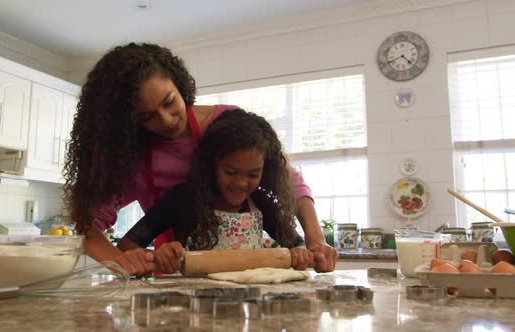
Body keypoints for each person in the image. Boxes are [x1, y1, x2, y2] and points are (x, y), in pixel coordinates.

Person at [63, 42, 337, 275]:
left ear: (179, 84)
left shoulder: (225, 123)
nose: (167, 120)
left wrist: (315, 239)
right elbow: (90, 227)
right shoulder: (130, 158)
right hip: (175, 276)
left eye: (169, 102)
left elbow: (291, 181)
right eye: (147, 117)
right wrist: (123, 262)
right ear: (128, 123)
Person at [118, 109, 314, 276]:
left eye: (253, 174)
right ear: (212, 165)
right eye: (230, 172)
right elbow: (127, 245)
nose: (241, 183)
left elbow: (297, 245)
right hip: (195, 309)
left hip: (251, 308)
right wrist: (156, 256)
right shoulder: (181, 199)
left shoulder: (261, 202)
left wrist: (300, 254)